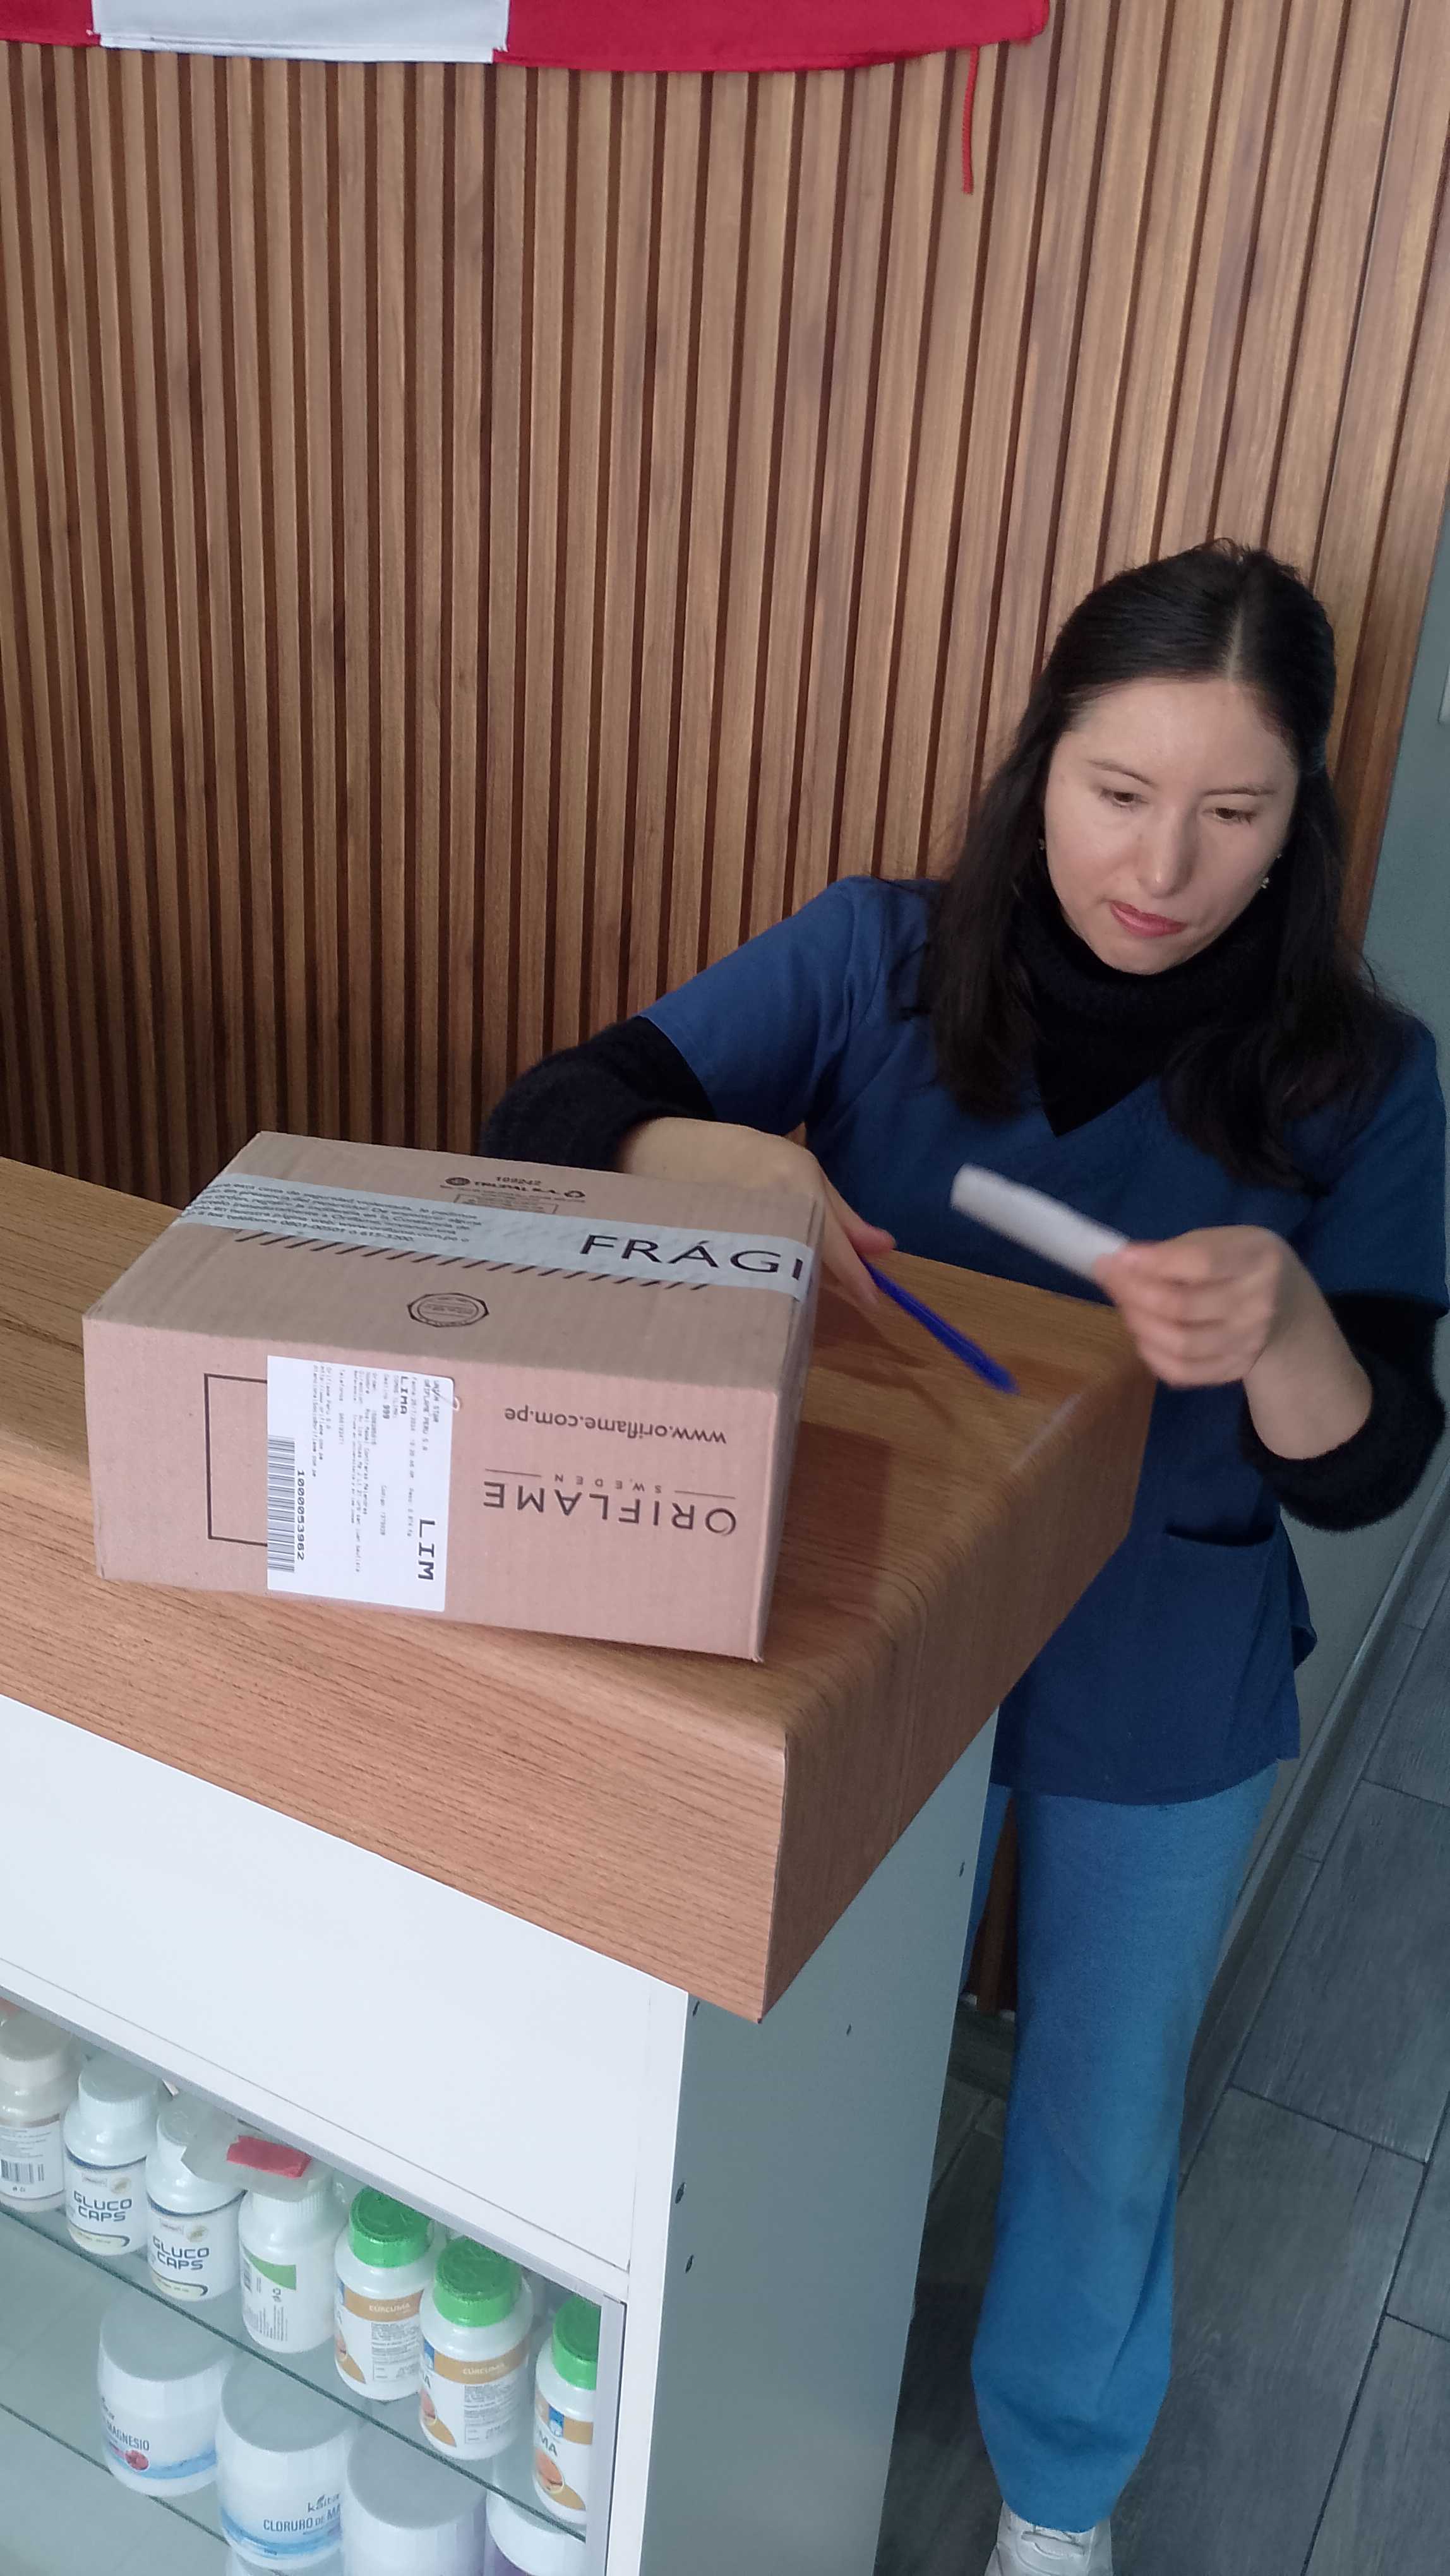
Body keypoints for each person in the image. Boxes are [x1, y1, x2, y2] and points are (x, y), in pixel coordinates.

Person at [485, 543, 1447, 2576]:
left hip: (1156, 1647)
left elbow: (1371, 1473)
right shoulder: (874, 958)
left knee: (1100, 2121)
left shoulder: (1361, 1078)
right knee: (780, 2079)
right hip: (852, 1617)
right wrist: (717, 1160)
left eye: (1233, 811)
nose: (1162, 865)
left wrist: (1288, 1330)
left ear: (1300, 822)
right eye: (1120, 791)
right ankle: (739, 2438)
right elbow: (551, 1112)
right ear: (1041, 767)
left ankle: (1056, 2498)